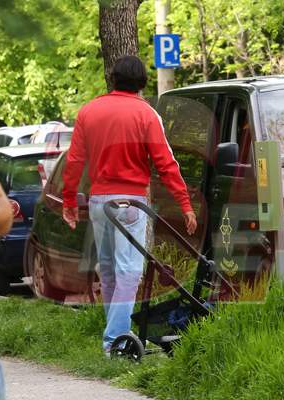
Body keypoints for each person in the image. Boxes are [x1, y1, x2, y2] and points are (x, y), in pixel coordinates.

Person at [62, 55, 197, 356]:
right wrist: (184, 203)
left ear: (114, 78)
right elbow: (166, 164)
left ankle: (115, 337)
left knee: (109, 271)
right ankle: (114, 341)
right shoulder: (147, 114)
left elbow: (74, 161)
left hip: (99, 203)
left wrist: (70, 200)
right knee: (129, 272)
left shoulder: (89, 112)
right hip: (131, 202)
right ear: (141, 82)